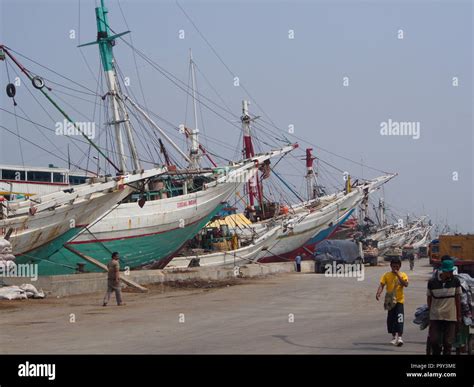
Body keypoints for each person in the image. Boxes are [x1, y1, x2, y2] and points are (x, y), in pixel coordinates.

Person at [427, 259, 462, 355]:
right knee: (434, 341)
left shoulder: (456, 281)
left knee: (448, 343)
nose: (451, 273)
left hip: (450, 316)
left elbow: (457, 299)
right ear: (444, 271)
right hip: (436, 316)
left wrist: (458, 316)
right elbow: (429, 299)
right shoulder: (432, 282)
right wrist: (430, 314)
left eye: (451, 271)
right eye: (449, 271)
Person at [376, 258, 409, 346]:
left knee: (400, 318)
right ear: (390, 266)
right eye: (393, 266)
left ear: (400, 266)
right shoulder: (386, 275)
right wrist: (378, 292)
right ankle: (394, 337)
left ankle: (400, 338)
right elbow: (382, 285)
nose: (395, 268)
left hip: (399, 301)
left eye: (397, 266)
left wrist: (398, 275)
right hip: (390, 301)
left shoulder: (403, 275)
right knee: (391, 319)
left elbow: (405, 284)